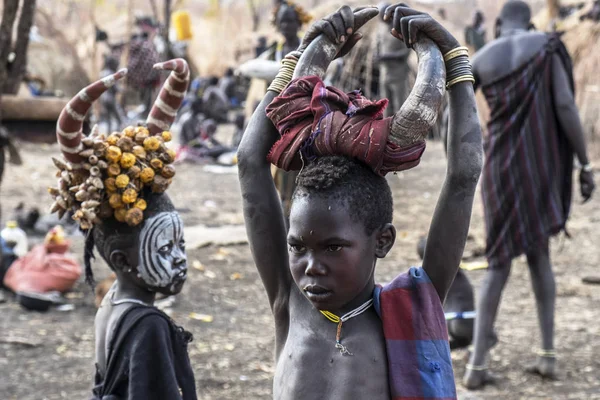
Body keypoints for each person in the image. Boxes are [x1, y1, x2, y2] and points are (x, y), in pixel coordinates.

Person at [238, 4, 482, 398]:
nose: (311, 267)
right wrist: (302, 57)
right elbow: (250, 162)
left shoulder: (412, 309)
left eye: (332, 247)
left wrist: (454, 59)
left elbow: (463, 178)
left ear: (382, 241)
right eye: (297, 246)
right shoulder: (290, 303)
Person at [463, 1, 596, 389]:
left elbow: (459, 116)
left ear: (500, 23)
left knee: (497, 262)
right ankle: (549, 356)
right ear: (530, 21)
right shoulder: (547, 47)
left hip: (501, 168)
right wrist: (585, 165)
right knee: (540, 257)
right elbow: (565, 106)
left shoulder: (482, 58)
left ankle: (476, 365)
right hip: (541, 168)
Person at [51, 59, 197, 399]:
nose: (180, 259)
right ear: (120, 258)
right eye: (163, 249)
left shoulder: (112, 302)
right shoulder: (149, 326)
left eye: (180, 244)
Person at [377, 2, 411, 117]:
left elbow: (406, 52)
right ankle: (385, 133)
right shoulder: (381, 30)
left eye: (383, 15)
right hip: (385, 74)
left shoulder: (400, 29)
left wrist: (387, 56)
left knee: (399, 107)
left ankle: (400, 134)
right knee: (385, 106)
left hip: (398, 75)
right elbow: (378, 47)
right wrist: (377, 56)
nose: (381, 19)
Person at [99, 55, 125, 133]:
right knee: (119, 118)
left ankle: (108, 132)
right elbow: (115, 88)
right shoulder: (112, 74)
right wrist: (122, 90)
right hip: (111, 98)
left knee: (108, 118)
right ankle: (119, 132)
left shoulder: (102, 73)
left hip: (103, 98)